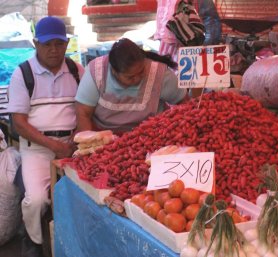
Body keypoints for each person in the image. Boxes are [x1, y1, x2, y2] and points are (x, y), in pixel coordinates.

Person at [7, 16, 84, 257]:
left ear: (66, 43)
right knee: (37, 199)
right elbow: (19, 123)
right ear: (35, 44)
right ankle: (34, 240)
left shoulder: (76, 70)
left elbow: (86, 110)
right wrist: (53, 145)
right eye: (47, 44)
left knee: (83, 196)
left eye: (59, 44)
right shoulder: (23, 74)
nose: (54, 50)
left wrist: (78, 138)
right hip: (37, 148)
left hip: (73, 145)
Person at [75, 38, 187, 133]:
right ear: (114, 71)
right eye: (130, 77)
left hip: (151, 139)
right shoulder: (96, 71)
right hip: (103, 141)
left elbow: (185, 102)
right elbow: (83, 113)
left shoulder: (159, 73)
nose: (137, 79)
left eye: (141, 72)